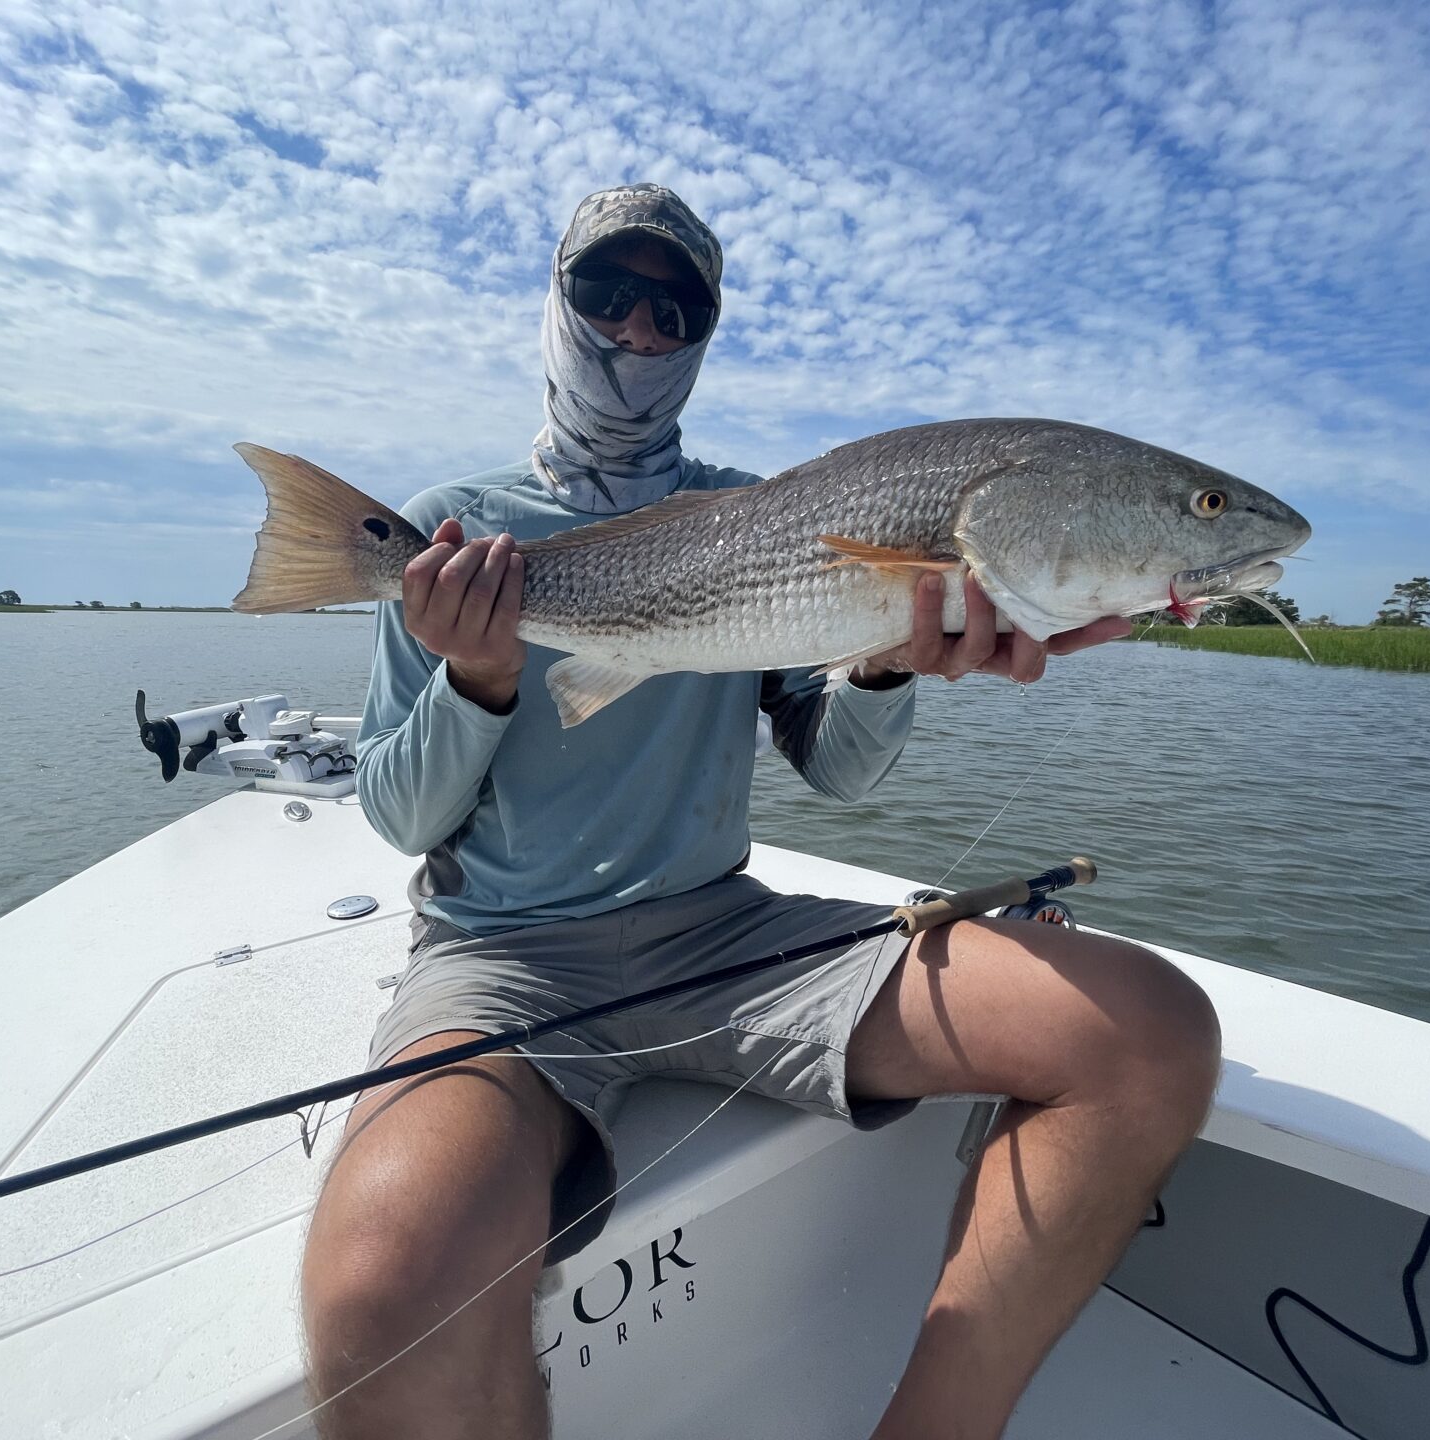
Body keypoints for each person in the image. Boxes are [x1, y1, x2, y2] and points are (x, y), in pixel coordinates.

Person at [300, 183, 1220, 1440]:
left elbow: (835, 773)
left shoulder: (781, 515)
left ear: (701, 336)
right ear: (556, 303)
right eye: (605, 294)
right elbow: (404, 819)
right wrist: (477, 677)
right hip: (504, 961)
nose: (636, 330)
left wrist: (887, 664)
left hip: (728, 940)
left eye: (672, 309)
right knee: (379, 1285)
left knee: (1150, 1033)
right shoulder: (462, 540)